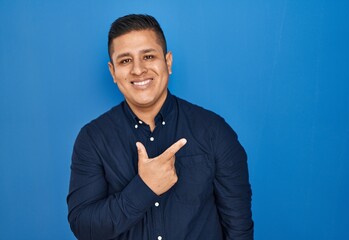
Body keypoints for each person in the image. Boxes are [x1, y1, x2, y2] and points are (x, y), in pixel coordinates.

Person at [67, 14, 254, 240]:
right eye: (125, 61)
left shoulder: (214, 131)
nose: (138, 70)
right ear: (113, 72)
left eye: (148, 56)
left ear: (168, 62)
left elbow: (239, 228)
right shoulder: (93, 139)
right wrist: (144, 188)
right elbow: (84, 227)